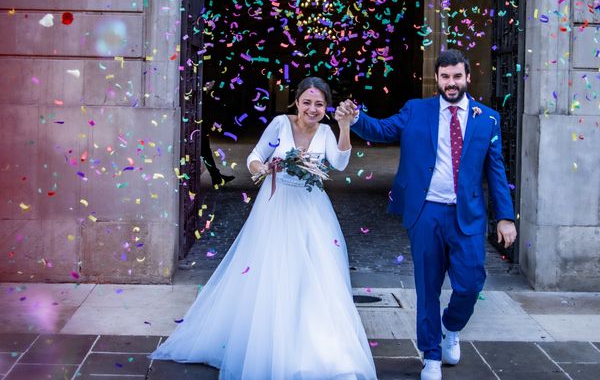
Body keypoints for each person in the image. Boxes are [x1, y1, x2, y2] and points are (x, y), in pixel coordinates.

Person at [150, 77, 376, 380]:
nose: (312, 109)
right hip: (277, 207)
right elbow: (255, 157)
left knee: (315, 278)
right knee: (275, 274)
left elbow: (339, 163)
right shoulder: (280, 125)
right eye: (307, 102)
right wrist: (264, 169)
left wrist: (345, 127)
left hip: (312, 210)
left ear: (326, 107)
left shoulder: (325, 131)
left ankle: (315, 347)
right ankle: (270, 344)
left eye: (319, 104)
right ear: (296, 102)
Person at [335, 50, 517, 380]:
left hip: (468, 216)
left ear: (467, 78)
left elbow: (496, 169)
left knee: (471, 282)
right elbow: (382, 130)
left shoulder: (487, 118)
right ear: (437, 79)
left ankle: (451, 326)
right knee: (427, 287)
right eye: (445, 77)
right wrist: (356, 118)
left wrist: (505, 216)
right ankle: (431, 354)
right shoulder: (416, 111)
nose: (451, 83)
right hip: (427, 212)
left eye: (457, 76)